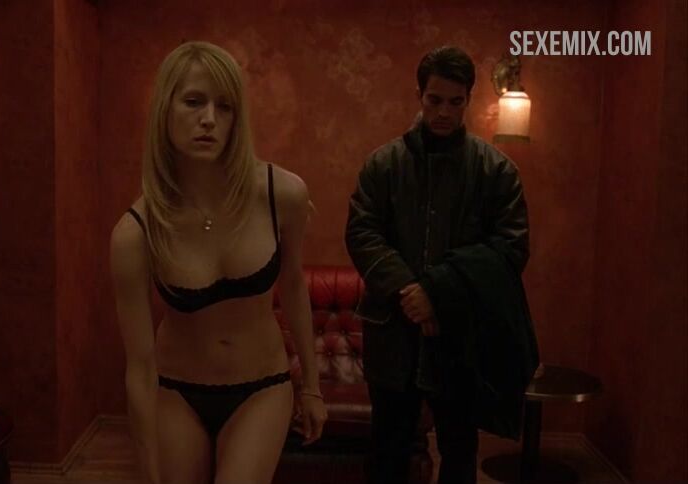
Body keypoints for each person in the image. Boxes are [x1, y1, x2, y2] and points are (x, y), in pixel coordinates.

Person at [109, 41, 327, 484]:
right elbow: (139, 367)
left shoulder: (282, 194)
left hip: (262, 386)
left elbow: (292, 285)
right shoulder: (136, 233)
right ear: (165, 109)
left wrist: (312, 387)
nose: (209, 118)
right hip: (176, 392)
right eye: (194, 101)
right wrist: (147, 472)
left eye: (224, 107)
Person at [345, 46, 539, 484]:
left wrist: (437, 292)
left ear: (468, 99)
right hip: (392, 333)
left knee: (459, 452)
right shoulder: (383, 165)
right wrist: (409, 292)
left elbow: (511, 249)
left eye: (455, 101)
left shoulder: (495, 171)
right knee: (387, 452)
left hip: (460, 335)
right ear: (419, 95)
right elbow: (362, 233)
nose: (444, 112)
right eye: (435, 100)